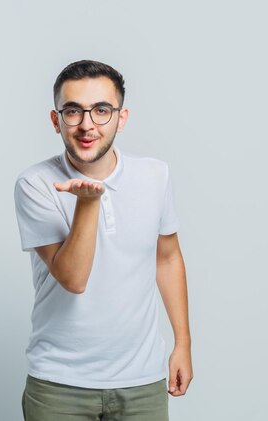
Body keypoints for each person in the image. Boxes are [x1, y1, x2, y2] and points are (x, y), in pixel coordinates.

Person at [14, 59, 192, 421]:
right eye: (73, 111)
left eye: (101, 110)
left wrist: (183, 344)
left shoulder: (155, 174)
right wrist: (88, 202)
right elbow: (74, 278)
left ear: (121, 118)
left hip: (142, 381)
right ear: (56, 120)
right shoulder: (35, 184)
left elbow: (168, 258)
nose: (86, 124)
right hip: (60, 384)